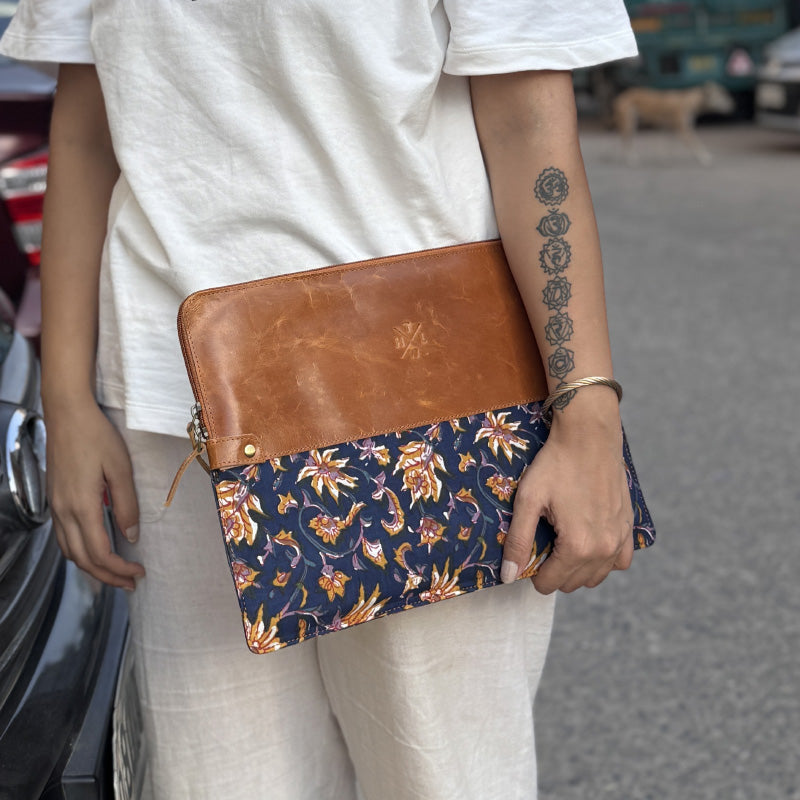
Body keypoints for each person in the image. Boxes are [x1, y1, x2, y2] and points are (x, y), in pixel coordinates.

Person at [0, 3, 638, 798]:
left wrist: (588, 414)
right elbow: (85, 132)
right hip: (180, 417)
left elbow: (527, 128)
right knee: (220, 781)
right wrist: (67, 402)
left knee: (443, 777)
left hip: (420, 412)